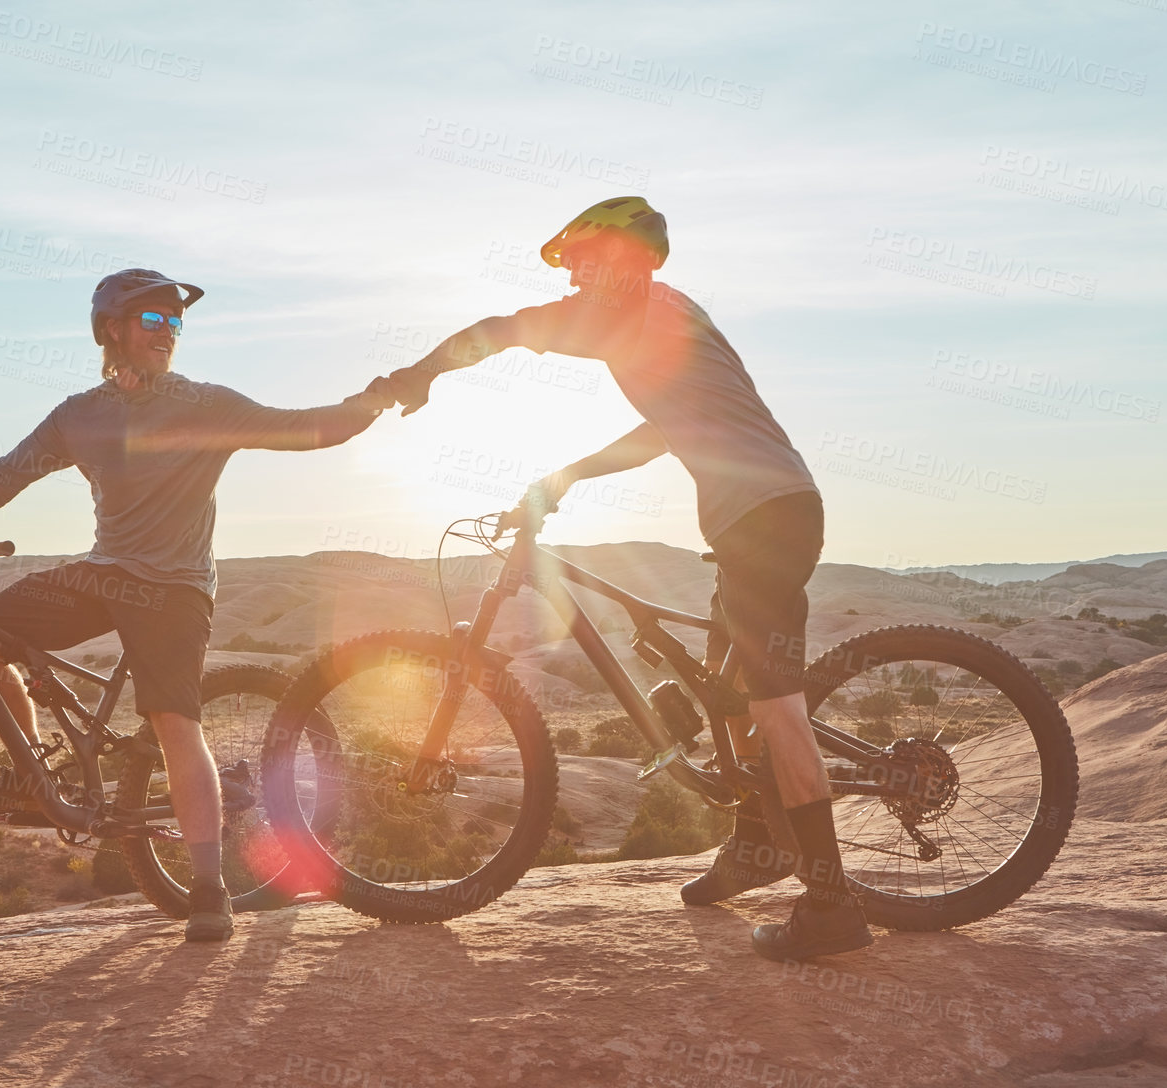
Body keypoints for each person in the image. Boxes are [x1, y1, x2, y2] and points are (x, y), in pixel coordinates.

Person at [368, 198, 870, 962]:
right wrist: (568, 474)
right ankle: (757, 846)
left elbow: (503, 331)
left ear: (626, 262)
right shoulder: (668, 319)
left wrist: (420, 373)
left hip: (766, 518)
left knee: (774, 711)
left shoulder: (626, 322)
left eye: (582, 263)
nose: (572, 279)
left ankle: (832, 907)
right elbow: (660, 431)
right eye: (570, 268)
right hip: (758, 518)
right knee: (724, 690)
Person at [0, 268, 390, 942]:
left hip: (175, 588)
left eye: (176, 323)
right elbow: (5, 477)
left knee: (174, 722)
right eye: (153, 320)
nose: (169, 334)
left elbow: (307, 430)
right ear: (111, 330)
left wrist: (379, 398)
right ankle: (35, 775)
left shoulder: (206, 405)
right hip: (103, 574)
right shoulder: (77, 416)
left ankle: (210, 890)